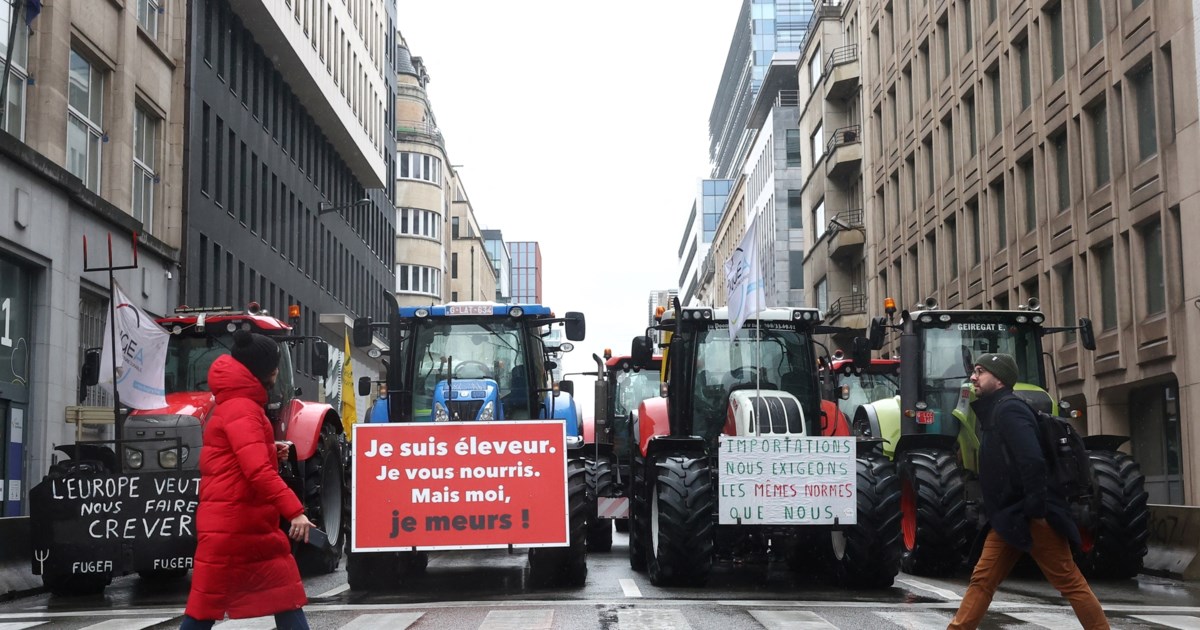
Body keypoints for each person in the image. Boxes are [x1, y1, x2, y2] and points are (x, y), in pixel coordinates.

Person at [947, 353, 1108, 630]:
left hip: (1033, 515)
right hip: (1009, 516)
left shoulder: (1009, 409)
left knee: (1069, 581)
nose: (973, 377)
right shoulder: (997, 409)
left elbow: (1031, 460)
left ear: (999, 380)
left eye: (980, 372)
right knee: (982, 581)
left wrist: (1035, 509)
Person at [181, 330, 314, 630]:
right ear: (260, 371)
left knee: (276, 594)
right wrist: (295, 511)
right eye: (274, 366)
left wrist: (268, 450)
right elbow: (257, 471)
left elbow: (237, 457)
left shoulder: (234, 403)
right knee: (206, 608)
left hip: (236, 523)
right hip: (237, 525)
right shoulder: (244, 408)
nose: (278, 372)